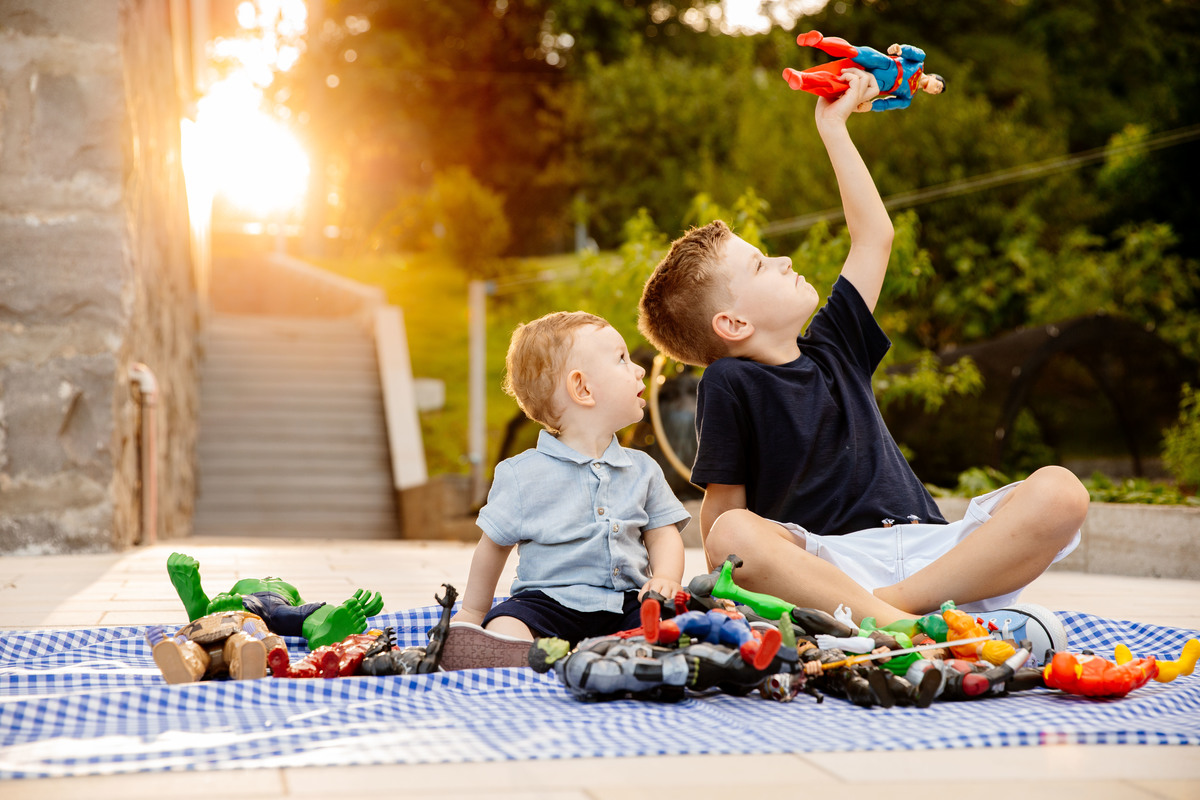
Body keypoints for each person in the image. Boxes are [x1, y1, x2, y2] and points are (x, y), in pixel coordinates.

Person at [636, 67, 1087, 646]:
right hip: (830, 565)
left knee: (1061, 492)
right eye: (758, 265)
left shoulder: (834, 344)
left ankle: (889, 618)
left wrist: (834, 127)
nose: (780, 262)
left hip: (933, 561)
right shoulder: (729, 381)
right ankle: (920, 628)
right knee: (731, 536)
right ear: (734, 324)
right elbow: (723, 513)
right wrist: (728, 590)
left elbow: (874, 237)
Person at [442, 311, 691, 670]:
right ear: (583, 388)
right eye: (622, 359)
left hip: (626, 602)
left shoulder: (643, 469)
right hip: (546, 603)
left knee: (667, 623)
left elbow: (662, 534)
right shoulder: (521, 474)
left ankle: (622, 652)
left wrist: (666, 577)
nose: (638, 369)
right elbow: (492, 549)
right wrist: (472, 612)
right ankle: (512, 650)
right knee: (508, 622)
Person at [782, 30, 946, 112]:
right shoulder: (919, 62)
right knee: (853, 51)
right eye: (938, 86)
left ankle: (802, 78)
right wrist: (900, 49)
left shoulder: (907, 98)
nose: (934, 90)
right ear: (933, 77)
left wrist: (870, 106)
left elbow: (887, 104)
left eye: (936, 92)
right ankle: (819, 41)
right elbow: (913, 51)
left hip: (873, 82)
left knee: (839, 83)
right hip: (885, 63)